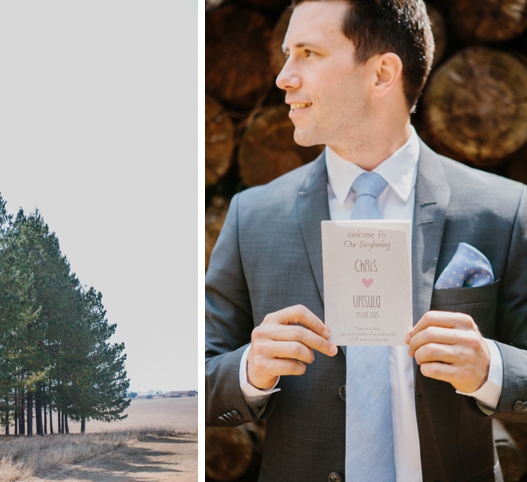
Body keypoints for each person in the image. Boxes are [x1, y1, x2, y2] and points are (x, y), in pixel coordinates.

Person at [205, 1, 527, 481]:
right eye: (286, 54)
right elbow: (197, 373)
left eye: (308, 53)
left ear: (382, 73)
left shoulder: (503, 209)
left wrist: (492, 368)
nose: (284, 77)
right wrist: (250, 368)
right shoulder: (253, 215)